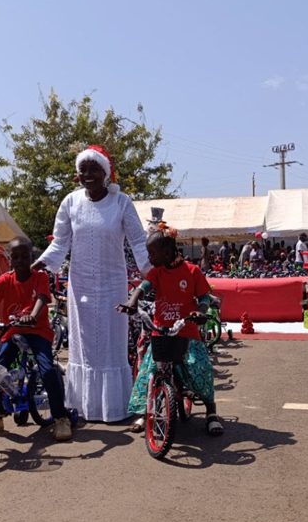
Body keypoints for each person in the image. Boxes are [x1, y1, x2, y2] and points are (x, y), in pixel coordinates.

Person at [33, 145, 151, 423]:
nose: (87, 174)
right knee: (83, 344)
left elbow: (137, 241)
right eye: (82, 169)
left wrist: (152, 272)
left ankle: (114, 407)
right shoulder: (70, 202)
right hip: (81, 284)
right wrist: (37, 265)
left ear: (106, 173)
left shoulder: (121, 202)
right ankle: (83, 406)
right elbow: (60, 244)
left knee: (110, 344)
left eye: (94, 169)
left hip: (113, 284)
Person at [0, 237, 72, 440]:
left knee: (47, 369)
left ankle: (61, 418)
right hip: (12, 331)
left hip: (37, 331)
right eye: (15, 257)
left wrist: (33, 316)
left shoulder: (40, 277)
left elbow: (42, 298)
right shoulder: (6, 279)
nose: (19, 260)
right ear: (10, 259)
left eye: (24, 256)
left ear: (32, 257)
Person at [119, 225, 222, 436]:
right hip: (161, 334)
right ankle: (147, 411)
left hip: (187, 332)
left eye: (152, 254)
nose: (149, 258)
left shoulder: (192, 271)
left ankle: (211, 412)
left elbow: (203, 297)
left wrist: (200, 311)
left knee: (199, 367)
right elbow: (143, 288)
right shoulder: (157, 272)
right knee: (148, 372)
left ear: (167, 252)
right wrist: (131, 302)